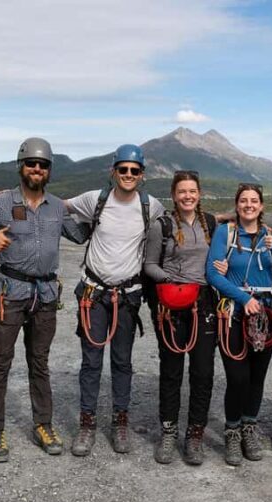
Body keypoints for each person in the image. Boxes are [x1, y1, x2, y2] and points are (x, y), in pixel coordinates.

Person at [0, 137, 87, 462]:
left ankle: (43, 425)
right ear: (21, 166)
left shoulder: (56, 206)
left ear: (49, 170)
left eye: (43, 165)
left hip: (46, 297)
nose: (37, 169)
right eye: (31, 163)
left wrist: (104, 213)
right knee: (0, 362)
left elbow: (79, 235)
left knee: (40, 363)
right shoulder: (1, 203)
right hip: (9, 294)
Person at [66, 144, 165, 457]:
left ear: (142, 175)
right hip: (93, 294)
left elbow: (179, 223)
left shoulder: (152, 206)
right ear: (114, 172)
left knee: (122, 362)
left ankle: (120, 422)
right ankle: (87, 423)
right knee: (91, 362)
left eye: (134, 171)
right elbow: (58, 206)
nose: (128, 175)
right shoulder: (95, 200)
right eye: (123, 169)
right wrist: (15, 197)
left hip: (128, 296)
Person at [206, 183, 272, 466]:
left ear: (261, 206)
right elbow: (212, 273)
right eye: (244, 200)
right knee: (237, 377)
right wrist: (243, 297)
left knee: (257, 377)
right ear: (237, 205)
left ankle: (249, 427)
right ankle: (232, 430)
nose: (249, 205)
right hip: (235, 312)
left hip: (265, 316)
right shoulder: (226, 233)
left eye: (254, 201)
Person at [143, 170, 218, 465]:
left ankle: (195, 434)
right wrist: (171, 280)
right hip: (172, 303)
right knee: (172, 369)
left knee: (203, 372)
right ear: (174, 195)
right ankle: (169, 431)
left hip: (203, 303)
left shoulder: (210, 223)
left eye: (193, 191)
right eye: (182, 191)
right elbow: (149, 264)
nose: (188, 196)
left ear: (199, 194)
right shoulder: (161, 225)